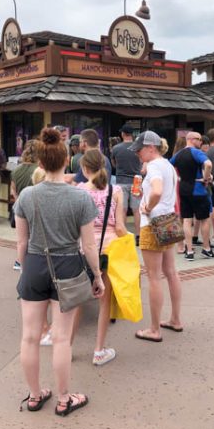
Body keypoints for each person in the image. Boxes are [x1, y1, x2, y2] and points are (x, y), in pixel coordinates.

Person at [14, 127, 104, 415]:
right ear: (67, 160)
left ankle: (34, 395)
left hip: (34, 263)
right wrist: (97, 276)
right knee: (61, 338)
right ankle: (64, 398)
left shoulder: (27, 196)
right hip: (67, 265)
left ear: (40, 163)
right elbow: (88, 246)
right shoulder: (80, 198)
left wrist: (24, 270)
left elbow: (21, 242)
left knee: (30, 336)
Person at [130, 131, 182, 342]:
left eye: (139, 150)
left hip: (152, 223)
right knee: (171, 272)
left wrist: (148, 207)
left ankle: (154, 329)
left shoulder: (153, 166)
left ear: (151, 148)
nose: (137, 154)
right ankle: (175, 319)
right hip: (169, 220)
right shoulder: (167, 165)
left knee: (154, 277)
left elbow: (157, 191)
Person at [77, 150, 128, 366]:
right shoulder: (115, 191)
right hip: (109, 249)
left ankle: (66, 348)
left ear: (84, 169)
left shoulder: (79, 191)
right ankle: (99, 350)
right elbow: (120, 227)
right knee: (104, 301)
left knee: (78, 301)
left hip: (84, 249)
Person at [170, 132, 214, 261]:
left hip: (183, 190)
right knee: (204, 219)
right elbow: (208, 164)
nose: (201, 142)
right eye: (199, 139)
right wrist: (206, 178)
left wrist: (178, 178)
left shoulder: (178, 154)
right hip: (198, 190)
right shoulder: (197, 152)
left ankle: (189, 251)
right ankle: (206, 248)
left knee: (187, 220)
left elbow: (169, 167)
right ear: (191, 140)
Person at [10, 140, 40, 270]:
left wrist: (19, 201)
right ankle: (31, 261)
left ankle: (19, 261)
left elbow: (13, 189)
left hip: (19, 206)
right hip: (35, 206)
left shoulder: (16, 170)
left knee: (22, 238)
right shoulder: (39, 170)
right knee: (34, 236)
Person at [111, 125, 143, 240]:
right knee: (137, 210)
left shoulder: (116, 148)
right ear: (132, 134)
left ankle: (123, 236)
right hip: (136, 181)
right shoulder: (138, 148)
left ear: (123, 134)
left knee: (122, 210)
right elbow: (142, 162)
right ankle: (139, 236)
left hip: (121, 181)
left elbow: (114, 164)